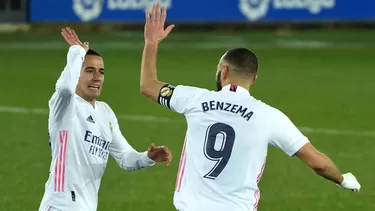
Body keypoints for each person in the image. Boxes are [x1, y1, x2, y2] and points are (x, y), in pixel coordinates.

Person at [139, 4, 361, 211]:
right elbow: (319, 163)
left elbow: (148, 85)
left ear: (223, 72)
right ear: (253, 79)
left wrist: (151, 42)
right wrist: (342, 179)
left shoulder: (195, 99)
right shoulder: (269, 116)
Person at [38, 27, 172, 211]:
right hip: (60, 205)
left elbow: (126, 158)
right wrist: (77, 51)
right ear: (76, 71)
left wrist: (148, 157)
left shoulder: (105, 113)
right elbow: (66, 88)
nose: (97, 77)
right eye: (90, 70)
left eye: (101, 72)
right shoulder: (64, 106)